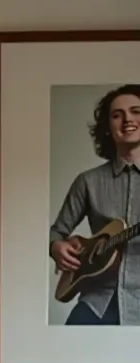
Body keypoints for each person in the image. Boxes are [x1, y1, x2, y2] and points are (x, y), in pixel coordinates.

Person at [49, 85, 140, 326]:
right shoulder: (87, 181)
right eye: (117, 114)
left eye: (136, 111)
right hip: (98, 302)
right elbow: (56, 231)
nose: (127, 119)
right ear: (108, 128)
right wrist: (56, 246)